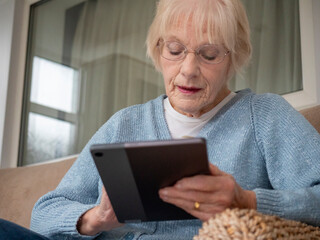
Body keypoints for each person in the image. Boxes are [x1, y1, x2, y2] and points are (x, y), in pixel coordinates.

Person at [29, 0, 320, 239]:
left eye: (209, 54)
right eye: (175, 50)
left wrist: (248, 202)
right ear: (158, 50)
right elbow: (43, 214)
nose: (189, 69)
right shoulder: (125, 123)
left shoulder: (264, 115)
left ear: (234, 58)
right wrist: (95, 219)